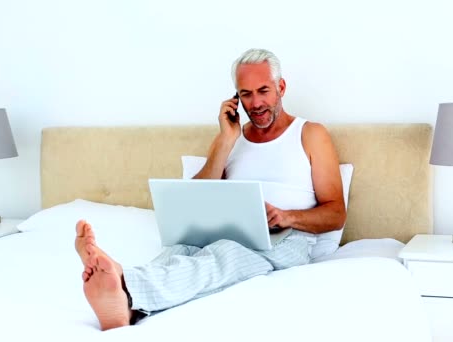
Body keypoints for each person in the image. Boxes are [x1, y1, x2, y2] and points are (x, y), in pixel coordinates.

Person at [75, 48, 347, 330]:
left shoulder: (310, 133)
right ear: (235, 98)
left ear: (281, 87)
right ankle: (128, 306)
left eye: (263, 91)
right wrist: (226, 139)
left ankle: (124, 284)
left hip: (288, 239)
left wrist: (288, 216)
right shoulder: (231, 138)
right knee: (183, 248)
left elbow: (336, 212)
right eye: (245, 94)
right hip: (231, 231)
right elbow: (195, 197)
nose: (255, 103)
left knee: (225, 254)